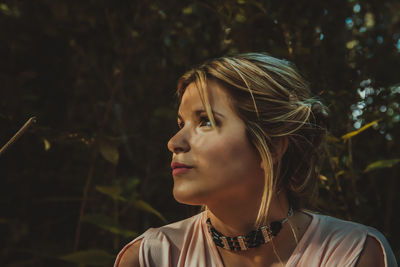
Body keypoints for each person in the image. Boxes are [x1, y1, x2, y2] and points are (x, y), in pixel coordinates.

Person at [114, 53, 397, 267]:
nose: (174, 143)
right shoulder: (152, 257)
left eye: (206, 122)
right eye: (181, 123)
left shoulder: (353, 254)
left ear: (272, 146)